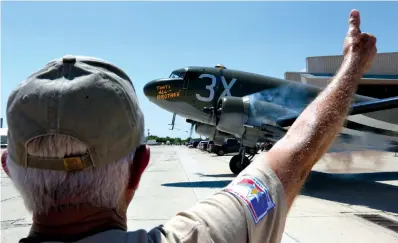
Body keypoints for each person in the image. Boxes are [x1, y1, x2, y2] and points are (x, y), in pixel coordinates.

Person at [2, 9, 376, 243]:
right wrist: (353, 67)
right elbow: (295, 152)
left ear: (9, 168)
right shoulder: (204, 236)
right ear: (139, 166)